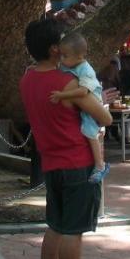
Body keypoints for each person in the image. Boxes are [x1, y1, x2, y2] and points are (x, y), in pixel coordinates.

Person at [20, 18, 112, 259]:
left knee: (55, 226)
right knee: (74, 230)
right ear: (53, 49)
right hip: (78, 163)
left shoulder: (27, 79)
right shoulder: (68, 82)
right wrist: (101, 103)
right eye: (60, 41)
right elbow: (105, 118)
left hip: (51, 164)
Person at [47, 31, 110, 183]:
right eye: (61, 55)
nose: (61, 59)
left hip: (91, 106)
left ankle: (99, 164)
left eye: (65, 56)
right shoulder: (70, 64)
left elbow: (82, 92)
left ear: (79, 57)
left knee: (89, 132)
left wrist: (61, 95)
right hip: (82, 106)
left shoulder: (86, 70)